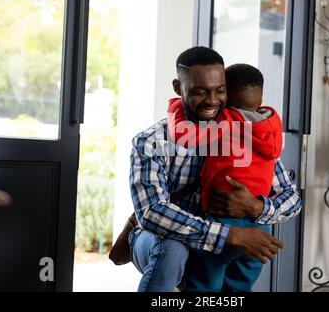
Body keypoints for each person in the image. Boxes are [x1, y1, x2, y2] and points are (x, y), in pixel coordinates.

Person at [128, 46, 302, 292]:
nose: (212, 101)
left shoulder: (244, 135)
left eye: (220, 91)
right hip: (160, 238)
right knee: (172, 251)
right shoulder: (151, 141)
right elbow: (153, 213)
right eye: (200, 92)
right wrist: (231, 235)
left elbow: (292, 198)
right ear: (178, 88)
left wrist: (257, 207)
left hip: (218, 245)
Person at [167, 63, 284, 291]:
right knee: (238, 289)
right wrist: (259, 208)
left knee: (203, 286)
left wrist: (175, 106)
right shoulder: (271, 127)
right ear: (260, 102)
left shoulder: (226, 120)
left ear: (225, 98)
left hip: (221, 223)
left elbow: (183, 136)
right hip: (260, 231)